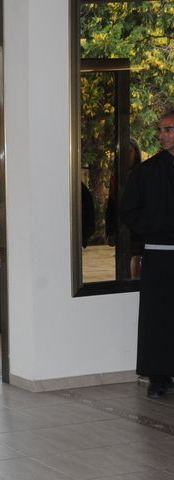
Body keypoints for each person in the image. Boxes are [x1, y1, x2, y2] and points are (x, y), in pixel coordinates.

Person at [120, 110, 174, 399]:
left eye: (169, 130)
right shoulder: (146, 171)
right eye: (161, 130)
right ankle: (158, 376)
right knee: (157, 317)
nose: (163, 135)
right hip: (160, 254)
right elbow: (129, 211)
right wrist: (155, 228)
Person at [106, 138, 144, 278]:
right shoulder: (116, 176)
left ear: (136, 153)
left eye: (129, 152)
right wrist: (109, 230)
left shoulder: (143, 173)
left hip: (137, 228)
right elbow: (112, 204)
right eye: (122, 152)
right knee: (123, 265)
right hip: (121, 226)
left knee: (136, 260)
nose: (126, 156)